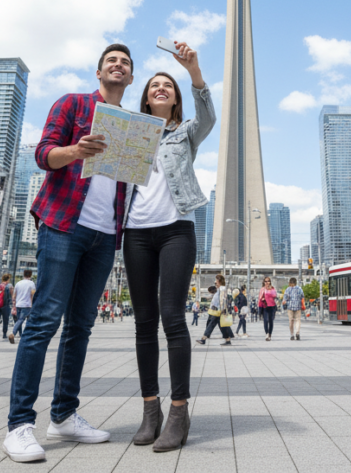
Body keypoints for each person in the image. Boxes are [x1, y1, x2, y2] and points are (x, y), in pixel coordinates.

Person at [3, 44, 136, 463]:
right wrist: (76, 151)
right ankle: (20, 425)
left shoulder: (133, 126)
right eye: (112, 61)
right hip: (63, 225)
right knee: (43, 321)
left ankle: (63, 415)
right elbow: (44, 154)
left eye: (126, 64)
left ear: (131, 79)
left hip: (103, 235)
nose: (119, 66)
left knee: (81, 326)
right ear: (99, 72)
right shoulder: (73, 104)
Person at [122, 43, 214, 453]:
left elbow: (209, 115)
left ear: (175, 96)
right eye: (154, 85)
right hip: (136, 232)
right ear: (145, 96)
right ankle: (150, 410)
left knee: (172, 318)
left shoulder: (186, 133)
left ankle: (178, 412)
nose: (161, 88)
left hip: (177, 229)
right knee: (144, 323)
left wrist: (192, 71)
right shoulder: (129, 131)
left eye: (167, 85)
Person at [195, 275, 233, 347]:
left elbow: (223, 300)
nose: (215, 282)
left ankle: (204, 338)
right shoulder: (219, 289)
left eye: (216, 280)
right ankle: (227, 340)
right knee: (222, 326)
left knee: (211, 324)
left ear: (219, 281)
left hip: (219, 311)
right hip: (217, 311)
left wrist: (221, 310)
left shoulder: (222, 288)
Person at [10, 270, 35, 343]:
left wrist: (14, 305)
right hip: (27, 305)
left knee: (19, 320)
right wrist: (32, 304)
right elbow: (32, 295)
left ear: (23, 275)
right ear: (30, 275)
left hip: (18, 304)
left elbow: (14, 296)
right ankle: (13, 333)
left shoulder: (18, 283)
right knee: (23, 320)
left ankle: (22, 336)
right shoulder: (31, 284)